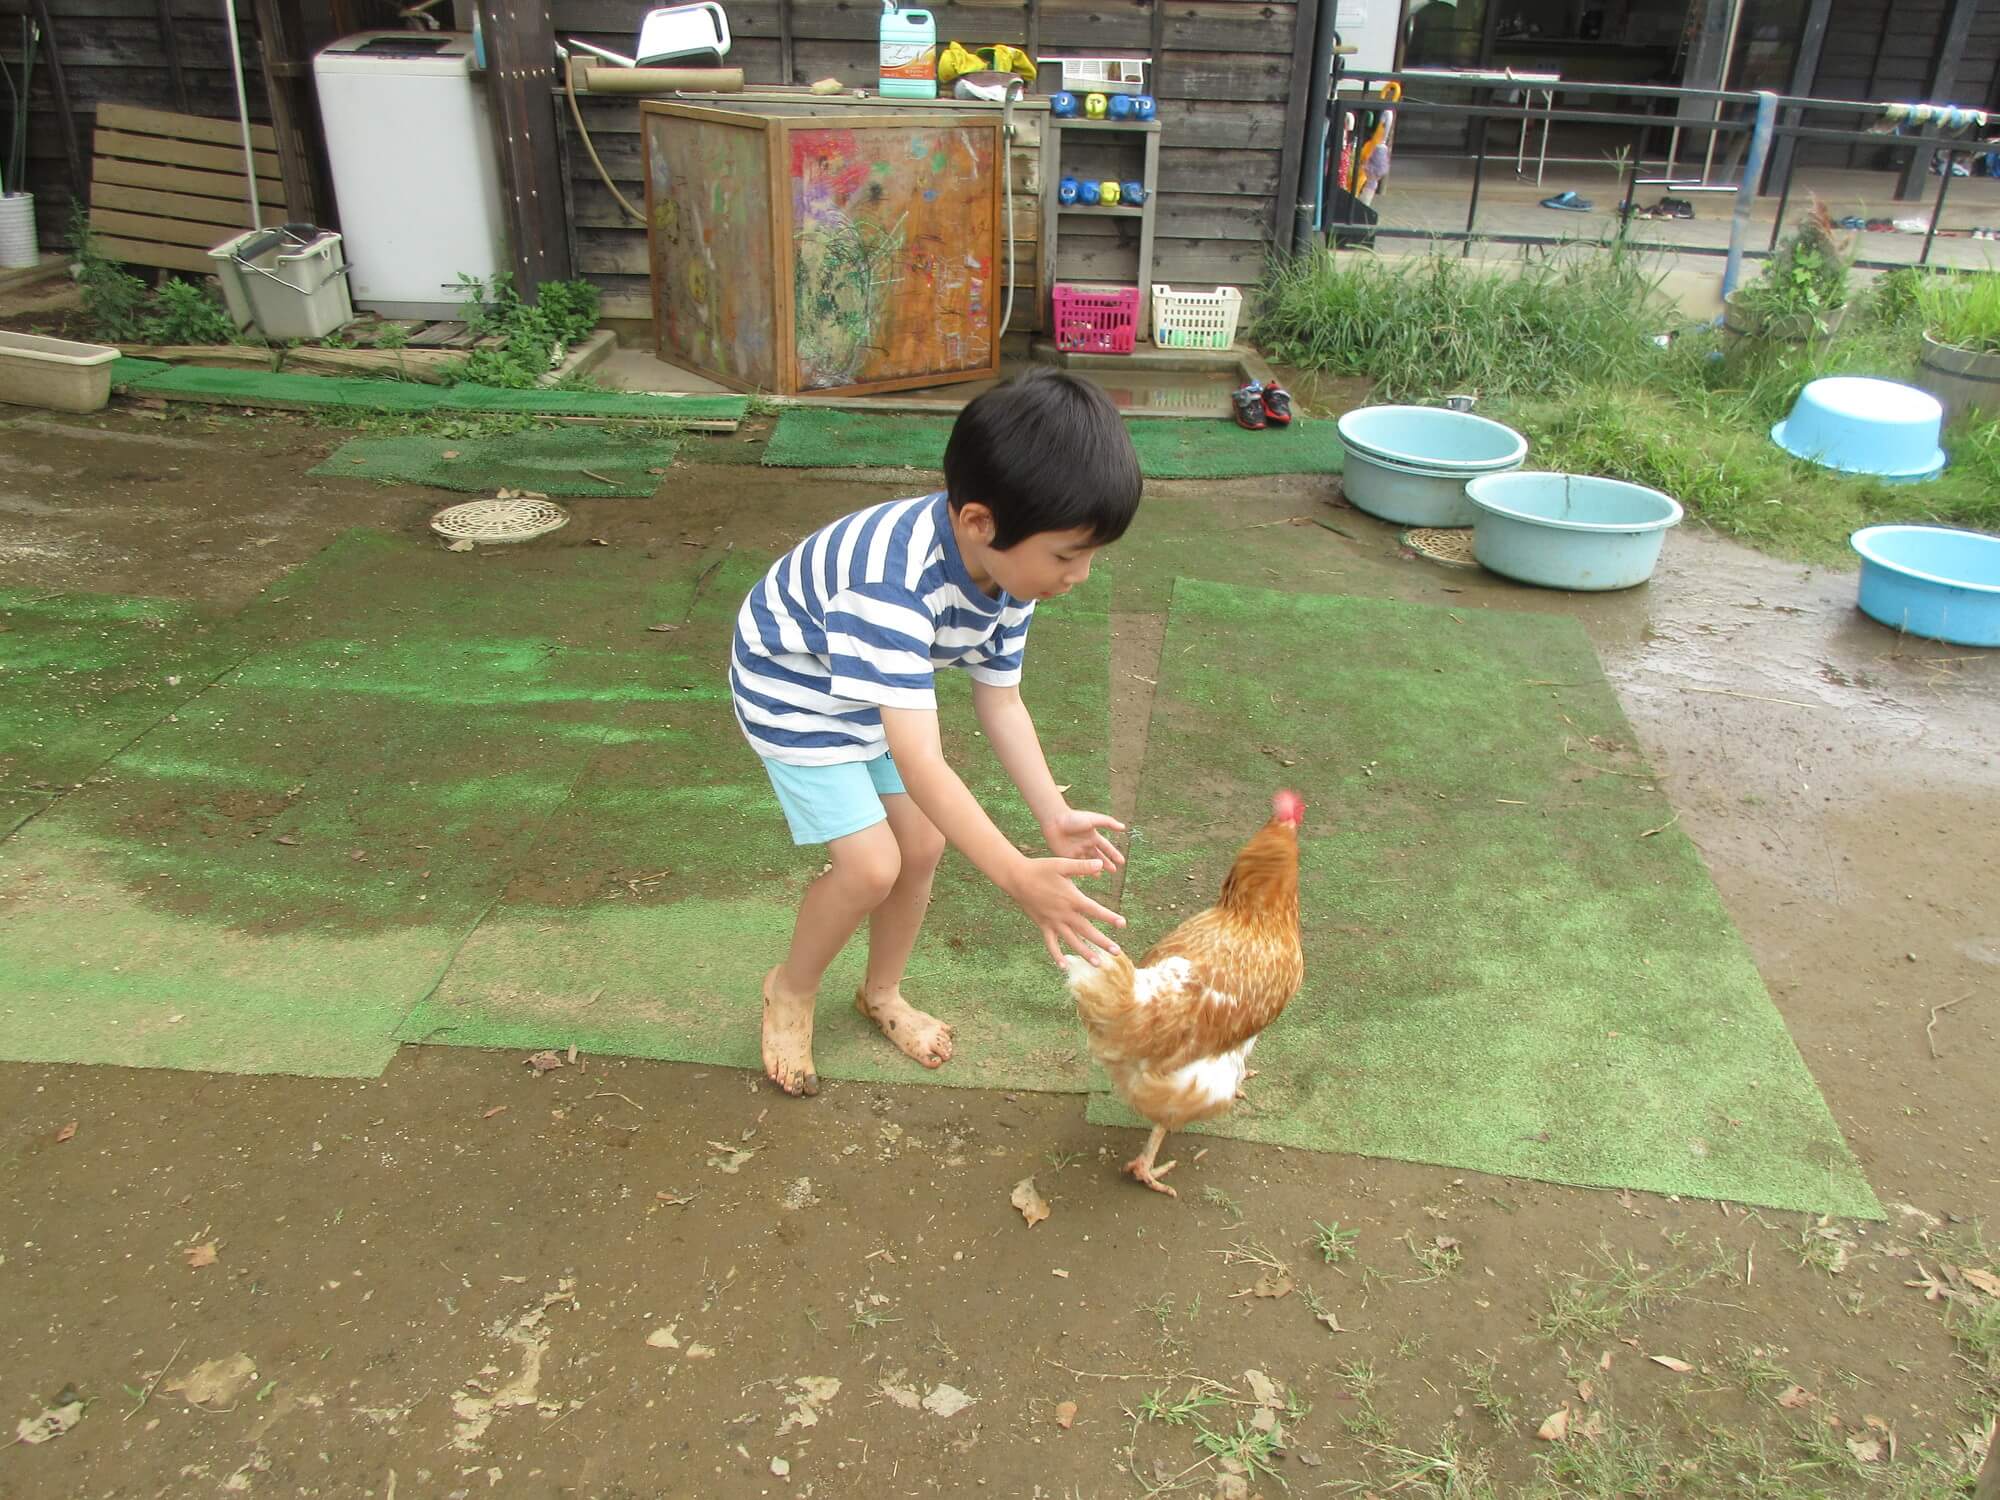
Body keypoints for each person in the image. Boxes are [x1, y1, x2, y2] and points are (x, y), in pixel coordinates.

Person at [729, 368, 1143, 1096]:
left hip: (868, 678)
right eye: (1067, 555)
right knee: (869, 866)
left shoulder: (1012, 572)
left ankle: (880, 993)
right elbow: (922, 760)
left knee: (920, 844)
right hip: (793, 685)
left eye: (1090, 555)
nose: (1079, 576)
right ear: (981, 523)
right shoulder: (893, 586)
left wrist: (1052, 812)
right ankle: (791, 987)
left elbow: (1001, 703)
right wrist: (1016, 874)